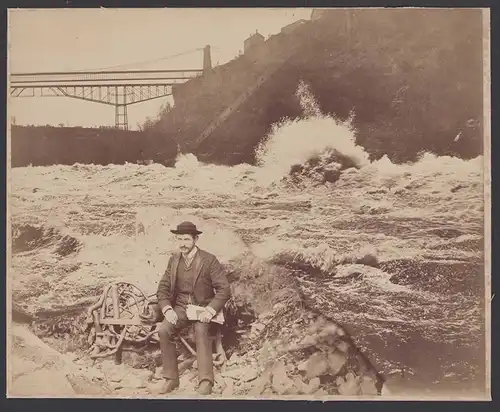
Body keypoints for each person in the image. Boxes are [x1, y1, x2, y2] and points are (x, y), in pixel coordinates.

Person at [156, 221, 231, 395]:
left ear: (196, 239)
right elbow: (163, 288)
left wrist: (210, 310)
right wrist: (167, 309)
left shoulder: (209, 260)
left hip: (203, 308)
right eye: (179, 239)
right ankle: (171, 379)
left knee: (200, 330)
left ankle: (205, 381)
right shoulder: (174, 260)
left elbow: (224, 289)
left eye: (187, 239)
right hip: (181, 307)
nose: (182, 243)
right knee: (164, 330)